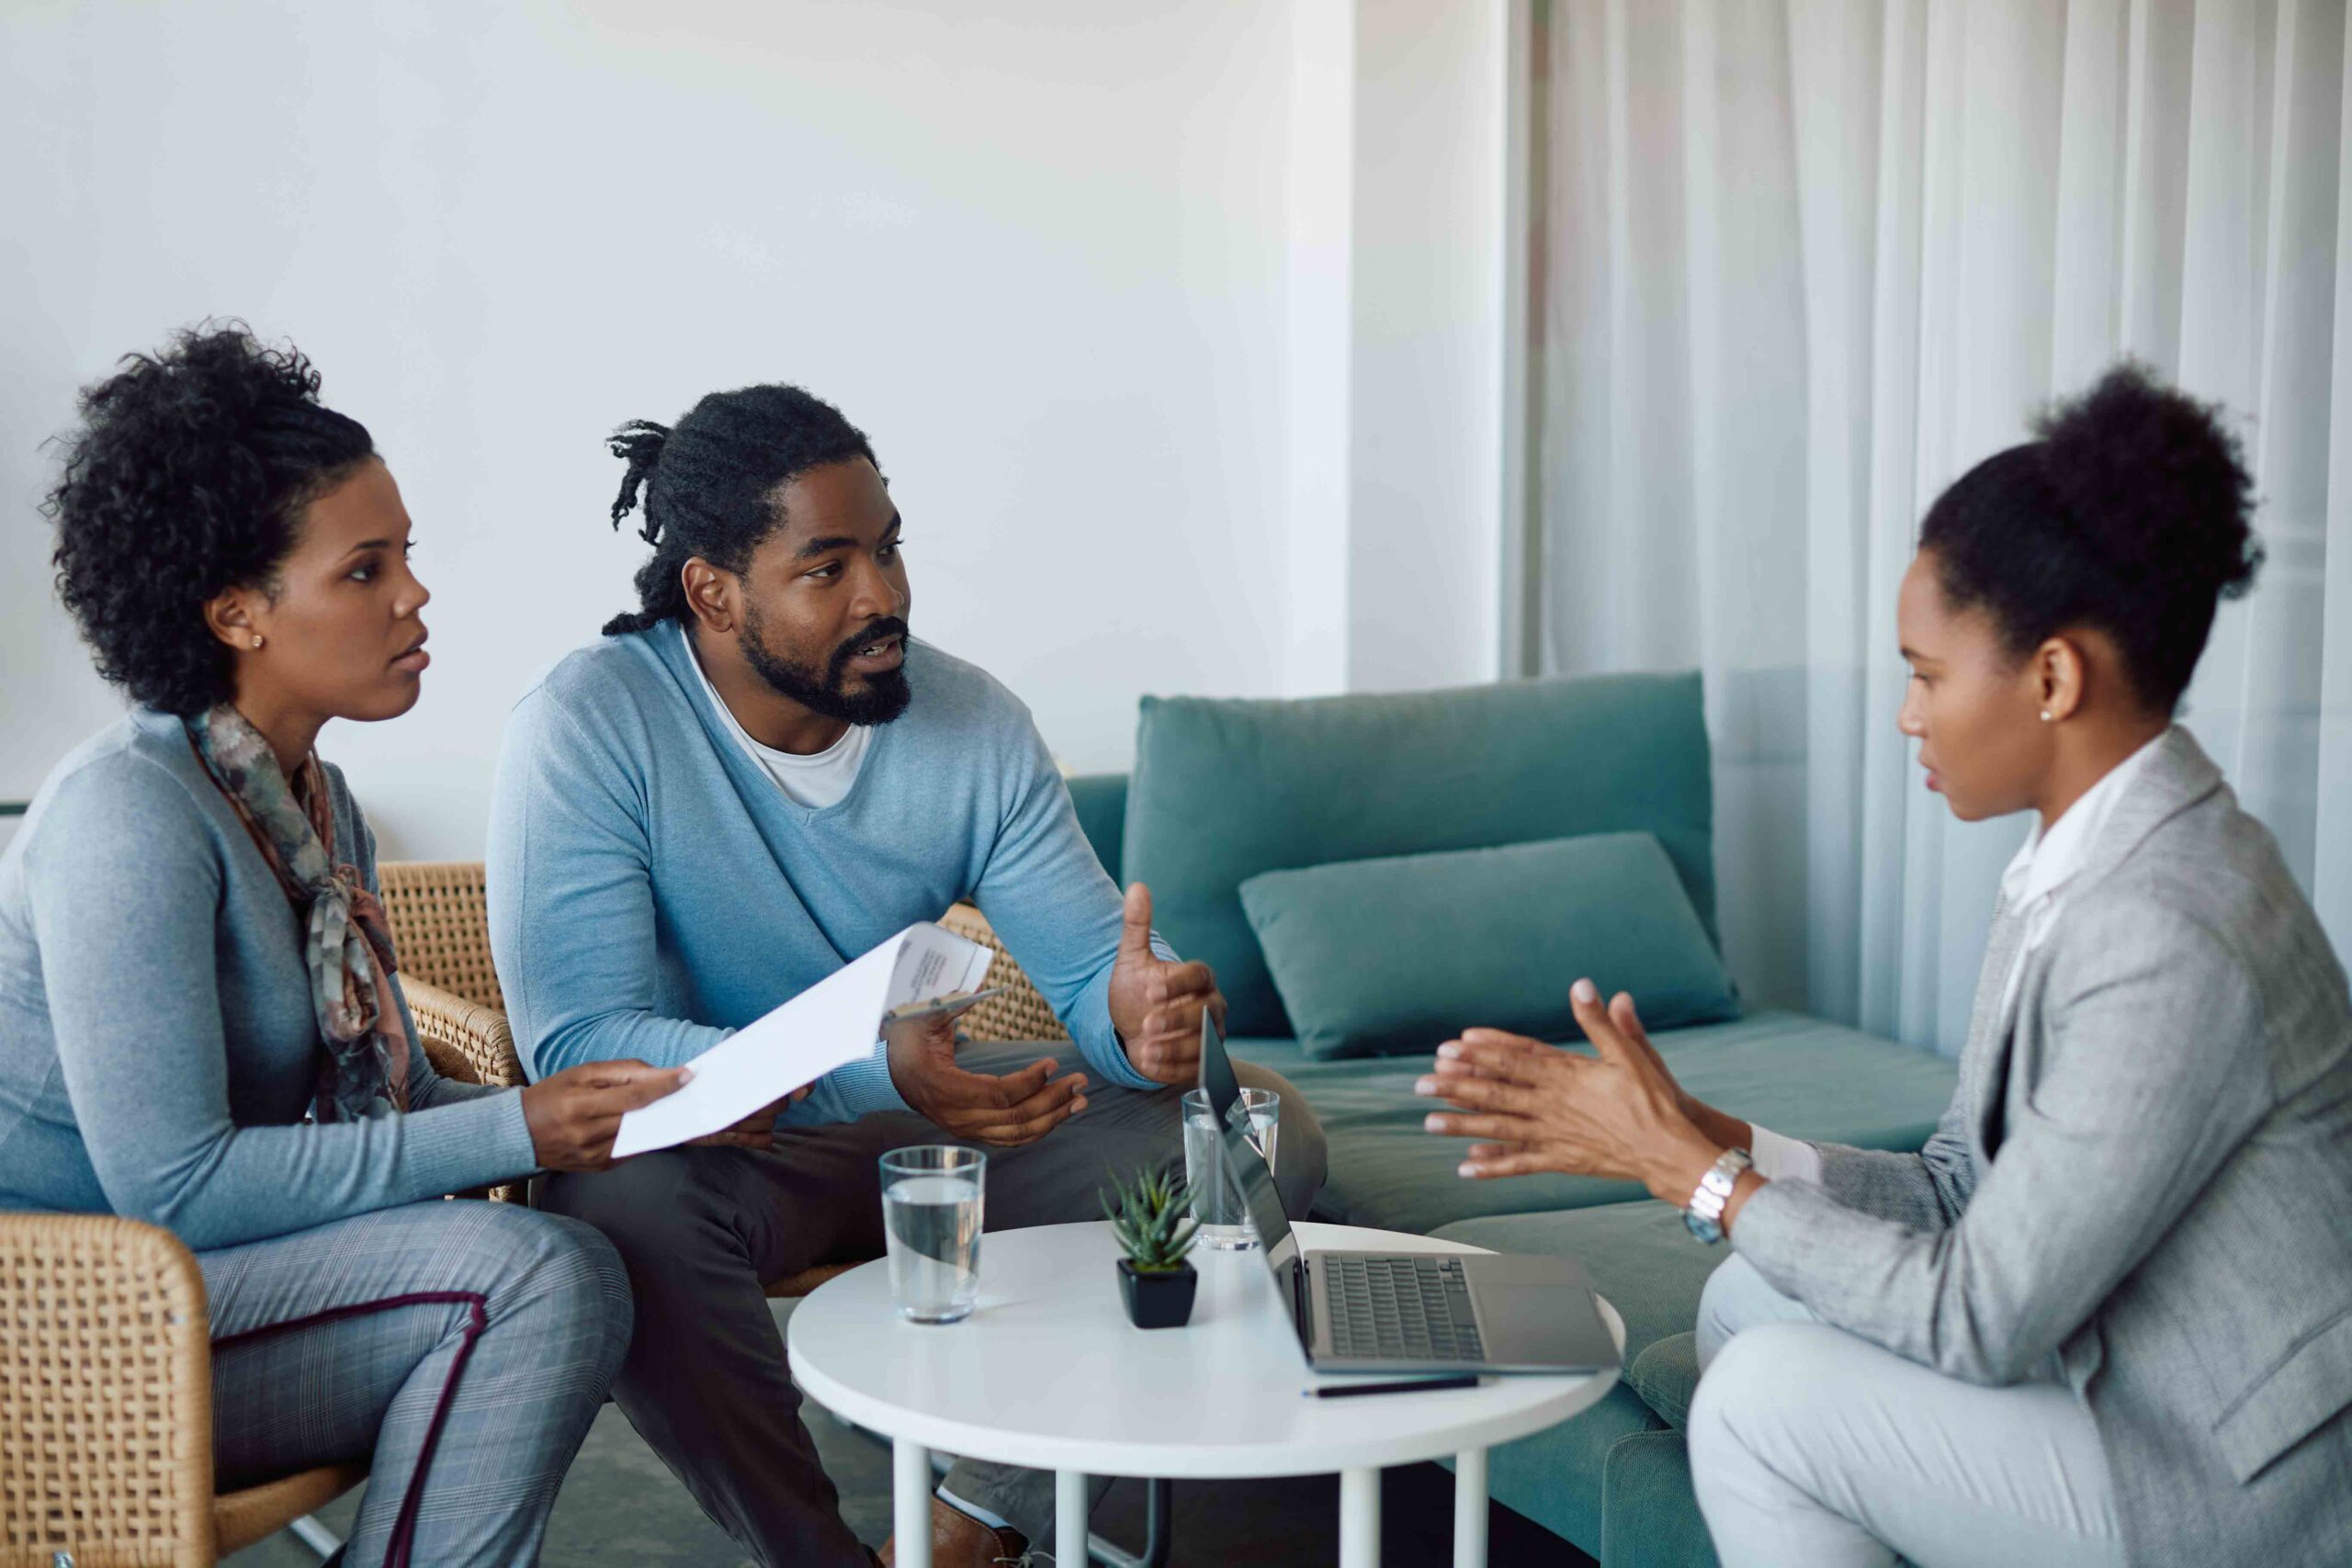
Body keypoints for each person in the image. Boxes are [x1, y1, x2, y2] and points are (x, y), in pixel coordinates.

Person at [1417, 364, 2352, 1565]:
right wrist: (1706, 1132)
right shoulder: (2080, 861)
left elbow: (1980, 1314)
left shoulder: (2175, 928)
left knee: (1760, 1409)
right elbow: (1962, 1187)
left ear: (2054, 678)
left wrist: (1694, 1182)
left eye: (1925, 673)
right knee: (1744, 1302)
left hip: (2222, 1481)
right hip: (2104, 1370)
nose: (1908, 716)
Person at [486, 381, 1327, 1568]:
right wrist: (862, 1068)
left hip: (927, 1111)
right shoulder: (591, 724)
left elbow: (1090, 974)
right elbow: (579, 1047)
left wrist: (1131, 1023)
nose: (882, 595)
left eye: (886, 548)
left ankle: (974, 1520)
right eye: (827, 568)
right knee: (610, 1214)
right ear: (713, 593)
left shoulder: (971, 722)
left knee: (1251, 1125)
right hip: (719, 1144)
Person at [0, 325, 701, 1568]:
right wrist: (522, 1132)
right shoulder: (127, 816)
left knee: (591, 1243)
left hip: (191, 1294)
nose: (415, 596)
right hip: (65, 1334)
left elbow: (403, 1099)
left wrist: (607, 1111)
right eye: (364, 571)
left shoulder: (312, 806)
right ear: (236, 613)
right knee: (536, 1282)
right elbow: (179, 1185)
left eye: (407, 557)